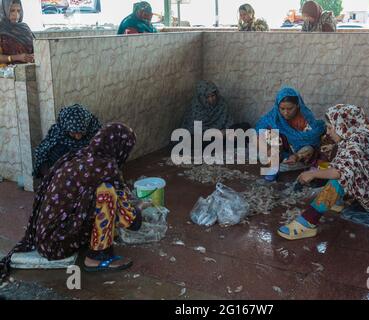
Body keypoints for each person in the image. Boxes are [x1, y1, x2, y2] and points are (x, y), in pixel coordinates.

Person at [0, 123, 145, 282]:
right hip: (57, 245)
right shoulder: (107, 167)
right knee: (108, 193)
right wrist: (139, 207)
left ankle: (92, 243)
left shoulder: (79, 155)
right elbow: (130, 221)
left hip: (43, 237)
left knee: (101, 194)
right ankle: (97, 257)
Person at [278, 104, 369, 240]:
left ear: (342, 125)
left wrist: (312, 174)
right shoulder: (362, 134)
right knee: (338, 168)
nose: (328, 132)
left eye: (330, 127)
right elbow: (352, 165)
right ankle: (338, 201)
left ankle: (308, 222)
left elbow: (340, 172)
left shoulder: (355, 144)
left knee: (339, 179)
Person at [255, 87, 325, 178]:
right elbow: (259, 133)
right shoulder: (273, 117)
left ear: (298, 105)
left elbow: (313, 139)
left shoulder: (306, 118)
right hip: (279, 148)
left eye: (290, 108)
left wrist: (297, 155)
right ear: (277, 106)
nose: (286, 113)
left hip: (298, 148)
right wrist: (268, 149)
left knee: (309, 149)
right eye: (282, 108)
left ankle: (292, 158)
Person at [33, 104, 102, 179]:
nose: (78, 137)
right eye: (73, 133)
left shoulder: (94, 133)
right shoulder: (57, 135)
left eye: (82, 132)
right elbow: (41, 155)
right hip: (59, 179)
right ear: (65, 128)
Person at [181, 80, 250, 135]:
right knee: (195, 141)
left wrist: (225, 132)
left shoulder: (221, 104)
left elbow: (229, 123)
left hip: (224, 133)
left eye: (213, 95)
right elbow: (196, 130)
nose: (211, 99)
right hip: (206, 136)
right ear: (201, 97)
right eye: (207, 97)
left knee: (245, 126)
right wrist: (217, 133)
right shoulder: (196, 107)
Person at [0, 0, 34, 67]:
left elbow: (35, 48)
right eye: (12, 11)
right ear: (4, 10)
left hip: (28, 69)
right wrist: (17, 57)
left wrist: (33, 56)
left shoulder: (25, 28)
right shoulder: (1, 29)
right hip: (7, 73)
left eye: (18, 11)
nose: (16, 14)